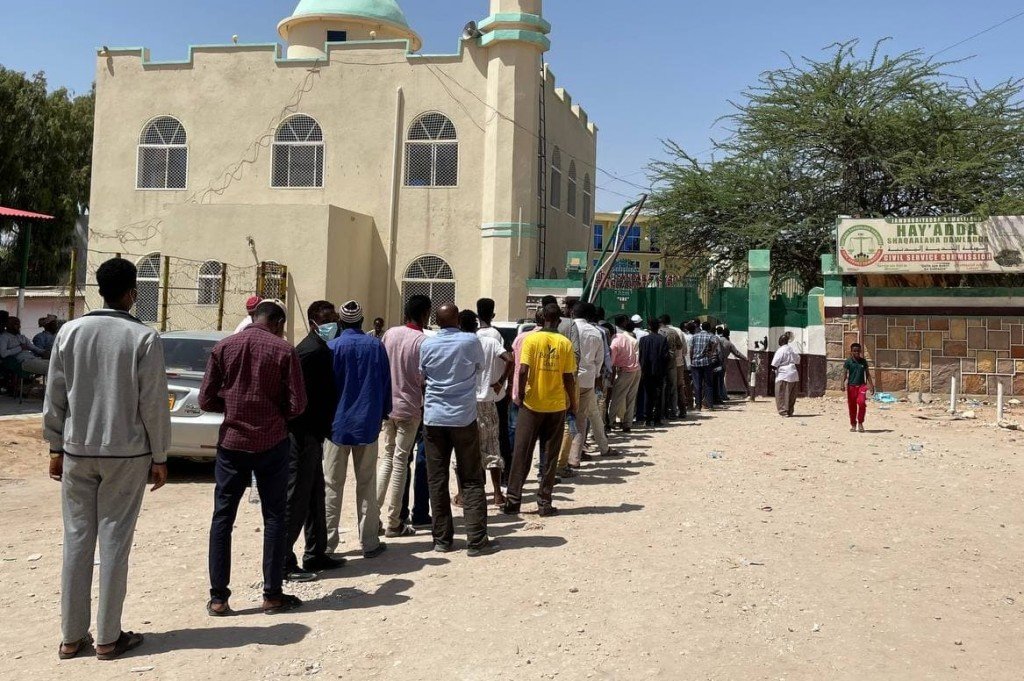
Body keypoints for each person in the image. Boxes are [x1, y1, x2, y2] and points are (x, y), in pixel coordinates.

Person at [44, 257, 170, 661]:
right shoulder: (143, 337)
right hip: (126, 454)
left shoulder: (69, 331)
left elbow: (55, 394)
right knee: (115, 542)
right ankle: (108, 637)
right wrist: (161, 455)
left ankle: (70, 637)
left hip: (77, 450)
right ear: (132, 293)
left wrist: (55, 446)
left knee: (76, 540)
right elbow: (153, 403)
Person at [200, 300, 307, 617]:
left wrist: (233, 408)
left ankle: (218, 598)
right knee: (274, 517)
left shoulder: (224, 347)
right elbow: (298, 404)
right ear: (278, 322)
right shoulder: (284, 351)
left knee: (223, 518)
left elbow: (206, 398)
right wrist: (274, 415)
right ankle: (272, 594)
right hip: (272, 442)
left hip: (232, 444)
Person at [419, 305, 496, 556]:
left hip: (434, 418)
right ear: (458, 319)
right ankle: (476, 539)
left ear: (437, 320)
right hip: (463, 417)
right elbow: (479, 368)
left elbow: (423, 376)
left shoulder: (428, 344)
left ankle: (442, 539)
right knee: (471, 477)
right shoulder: (470, 341)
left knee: (437, 479)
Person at [283, 300, 344, 583]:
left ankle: (316, 552)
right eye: (327, 320)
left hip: (314, 434)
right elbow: (298, 397)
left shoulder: (320, 348)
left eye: (334, 319)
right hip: (303, 433)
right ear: (313, 323)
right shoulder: (309, 352)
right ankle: (283, 560)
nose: (333, 324)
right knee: (297, 498)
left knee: (315, 495)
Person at [324, 301, 391, 559]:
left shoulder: (332, 347)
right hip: (367, 424)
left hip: (336, 426)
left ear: (340, 323)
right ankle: (369, 541)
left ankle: (327, 544)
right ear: (362, 321)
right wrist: (382, 413)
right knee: (367, 483)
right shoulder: (375, 346)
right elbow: (386, 384)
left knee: (332, 484)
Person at [503, 303, 577, 517]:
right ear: (559, 320)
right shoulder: (565, 343)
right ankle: (544, 503)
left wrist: (521, 395)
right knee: (549, 456)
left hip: (531, 405)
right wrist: (573, 403)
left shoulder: (531, 339)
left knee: (521, 453)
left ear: (543, 317)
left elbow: (523, 370)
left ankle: (513, 501)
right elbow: (568, 377)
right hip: (556, 406)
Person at [377, 295, 430, 538]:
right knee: (400, 462)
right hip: (410, 408)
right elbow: (424, 378)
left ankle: (373, 518)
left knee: (387, 460)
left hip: (388, 405)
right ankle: (394, 521)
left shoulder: (390, 334)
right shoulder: (422, 341)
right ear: (425, 314)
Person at [459, 310, 512, 506]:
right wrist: (501, 382)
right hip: (487, 401)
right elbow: (510, 359)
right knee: (491, 446)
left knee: (464, 449)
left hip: (465, 403)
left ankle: (463, 495)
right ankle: (497, 494)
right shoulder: (490, 342)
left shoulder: (458, 344)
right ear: (475, 325)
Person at [558, 302, 610, 476]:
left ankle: (561, 458)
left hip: (567, 378)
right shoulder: (595, 332)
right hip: (587, 379)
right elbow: (599, 360)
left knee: (563, 419)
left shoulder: (566, 329)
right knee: (581, 420)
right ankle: (574, 459)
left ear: (572, 313)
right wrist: (596, 376)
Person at [609, 315, 641, 432]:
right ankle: (627, 424)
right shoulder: (627, 338)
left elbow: (611, 363)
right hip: (636, 368)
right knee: (631, 398)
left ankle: (610, 421)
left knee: (617, 397)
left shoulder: (615, 341)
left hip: (625, 370)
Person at [638, 318, 670, 427]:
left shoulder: (643, 340)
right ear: (658, 327)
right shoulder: (663, 339)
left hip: (646, 371)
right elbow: (666, 357)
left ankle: (647, 418)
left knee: (647, 394)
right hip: (659, 371)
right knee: (659, 395)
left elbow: (640, 356)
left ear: (649, 327)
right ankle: (657, 419)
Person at [842, 342, 875, 432]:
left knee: (861, 403)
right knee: (852, 406)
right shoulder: (848, 361)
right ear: (851, 351)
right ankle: (853, 424)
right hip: (851, 387)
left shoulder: (863, 361)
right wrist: (842, 384)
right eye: (854, 351)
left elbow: (867, 374)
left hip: (861, 386)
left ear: (860, 351)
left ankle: (860, 422)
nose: (856, 352)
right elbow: (844, 373)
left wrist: (871, 385)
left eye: (858, 351)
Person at [658, 315, 685, 418]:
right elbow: (680, 346)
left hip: (660, 362)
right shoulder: (673, 332)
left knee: (662, 387)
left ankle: (661, 412)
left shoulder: (658, 332)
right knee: (673, 387)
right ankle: (673, 411)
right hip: (672, 361)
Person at [689, 322, 720, 411]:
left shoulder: (694, 336)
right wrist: (711, 352)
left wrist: (691, 358)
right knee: (708, 384)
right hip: (706, 362)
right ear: (709, 328)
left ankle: (698, 406)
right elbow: (716, 342)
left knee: (697, 385)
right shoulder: (710, 336)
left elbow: (691, 349)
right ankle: (710, 405)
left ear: (702, 327)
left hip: (695, 363)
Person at [771, 332, 801, 417]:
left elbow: (774, 364)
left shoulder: (780, 350)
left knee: (781, 394)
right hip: (794, 374)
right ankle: (790, 411)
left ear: (782, 341)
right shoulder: (792, 349)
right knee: (791, 395)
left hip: (783, 375)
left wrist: (772, 374)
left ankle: (783, 411)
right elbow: (798, 359)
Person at [715, 326, 747, 403]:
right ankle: (722, 396)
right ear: (728, 335)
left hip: (715, 362)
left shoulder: (717, 340)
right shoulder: (729, 343)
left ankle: (717, 396)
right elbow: (737, 353)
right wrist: (745, 358)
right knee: (721, 380)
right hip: (723, 363)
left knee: (715, 380)